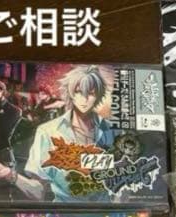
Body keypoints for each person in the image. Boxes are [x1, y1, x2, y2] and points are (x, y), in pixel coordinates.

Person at [24, 66, 115, 200]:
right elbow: (38, 188)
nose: (84, 99)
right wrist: (11, 176)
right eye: (78, 92)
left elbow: (123, 179)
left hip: (106, 210)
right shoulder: (46, 131)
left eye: (90, 93)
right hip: (63, 209)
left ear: (98, 95)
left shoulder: (112, 130)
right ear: (70, 93)